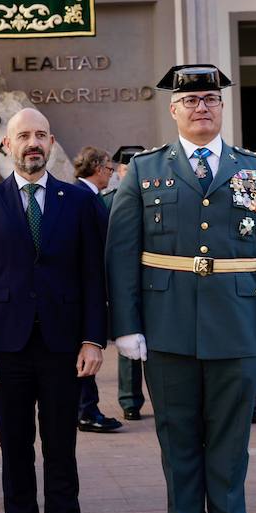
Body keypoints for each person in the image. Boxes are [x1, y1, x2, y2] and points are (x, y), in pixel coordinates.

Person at [106, 65, 256, 513]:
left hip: (236, 325)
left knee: (231, 441)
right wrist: (126, 325)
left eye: (211, 99)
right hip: (166, 325)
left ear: (222, 108)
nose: (201, 108)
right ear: (173, 110)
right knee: (179, 438)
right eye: (190, 101)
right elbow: (122, 253)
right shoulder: (146, 171)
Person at [0, 108, 105, 513]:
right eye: (23, 135)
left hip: (64, 349)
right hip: (6, 349)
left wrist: (93, 338)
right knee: (17, 454)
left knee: (62, 452)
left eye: (40, 135)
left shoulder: (79, 201)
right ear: (7, 144)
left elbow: (93, 276)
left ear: (51, 142)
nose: (33, 143)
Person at [71, 146, 122, 435]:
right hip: (84, 289)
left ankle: (87, 408)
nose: (111, 175)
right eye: (108, 169)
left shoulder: (91, 197)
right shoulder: (83, 197)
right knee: (86, 349)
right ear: (96, 168)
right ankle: (86, 410)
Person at [102, 145, 146, 421]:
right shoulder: (108, 200)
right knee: (128, 340)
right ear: (118, 171)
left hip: (156, 277)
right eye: (125, 169)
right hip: (125, 280)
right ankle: (130, 400)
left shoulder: (155, 195)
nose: (129, 173)